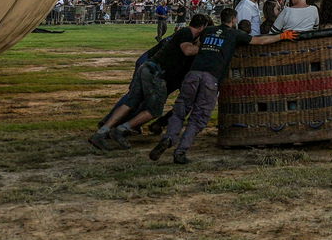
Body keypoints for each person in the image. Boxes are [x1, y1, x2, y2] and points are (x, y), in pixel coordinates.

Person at [150, 8, 295, 164]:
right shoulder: (234, 34)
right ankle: (181, 151)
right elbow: (259, 41)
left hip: (193, 74)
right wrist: (282, 36)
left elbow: (198, 44)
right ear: (233, 20)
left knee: (180, 110)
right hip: (211, 77)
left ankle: (169, 138)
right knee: (199, 116)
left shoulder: (208, 31)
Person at [90, 13, 209, 151]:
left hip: (148, 67)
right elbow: (188, 51)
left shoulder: (183, 33)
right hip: (155, 72)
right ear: (202, 27)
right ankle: (122, 129)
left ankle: (102, 132)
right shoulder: (186, 33)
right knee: (154, 110)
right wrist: (205, 48)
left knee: (131, 101)